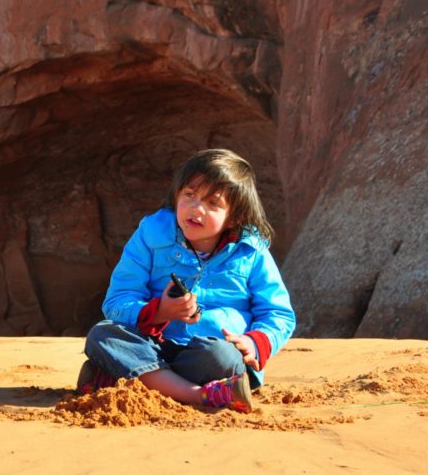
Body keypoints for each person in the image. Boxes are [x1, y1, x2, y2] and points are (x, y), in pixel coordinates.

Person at [78, 149, 296, 413]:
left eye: (213, 203)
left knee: (222, 357)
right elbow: (117, 300)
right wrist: (159, 312)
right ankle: (200, 395)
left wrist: (254, 342)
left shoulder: (251, 252)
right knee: (103, 335)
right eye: (189, 195)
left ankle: (124, 377)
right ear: (176, 195)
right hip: (153, 345)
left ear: (236, 216)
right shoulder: (151, 233)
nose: (196, 208)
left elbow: (278, 314)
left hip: (209, 354)